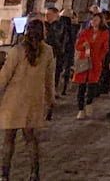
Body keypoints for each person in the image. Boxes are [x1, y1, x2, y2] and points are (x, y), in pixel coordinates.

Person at [0, 18, 54, 180]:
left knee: (9, 138)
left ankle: (4, 174)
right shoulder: (47, 52)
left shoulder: (17, 51)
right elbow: (49, 78)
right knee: (31, 138)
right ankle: (34, 173)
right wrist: (50, 99)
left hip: (14, 100)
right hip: (34, 100)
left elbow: (5, 76)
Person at [72, 12, 108, 119]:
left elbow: (105, 48)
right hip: (84, 61)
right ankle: (80, 109)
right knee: (81, 85)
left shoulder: (104, 33)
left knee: (92, 85)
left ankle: (89, 102)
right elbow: (78, 46)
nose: (93, 22)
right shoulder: (85, 32)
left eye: (96, 20)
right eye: (92, 20)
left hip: (95, 61)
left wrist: (100, 58)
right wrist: (84, 45)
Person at [43, 7, 74, 96]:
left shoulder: (58, 26)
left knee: (53, 74)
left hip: (56, 54)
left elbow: (58, 41)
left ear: (56, 15)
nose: (47, 17)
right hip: (54, 54)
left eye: (49, 14)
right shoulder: (50, 26)